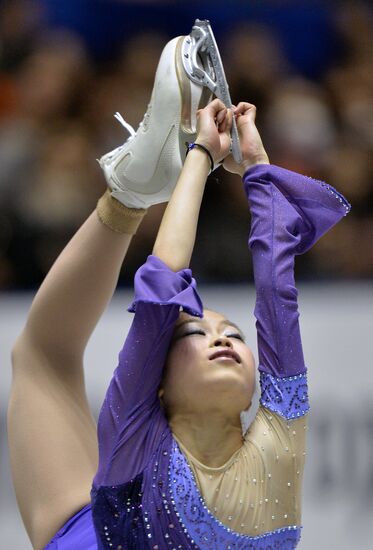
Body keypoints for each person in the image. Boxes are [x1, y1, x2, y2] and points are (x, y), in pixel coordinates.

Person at [8, 38, 350, 550]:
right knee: (42, 355)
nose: (225, 338)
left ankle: (131, 189)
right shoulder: (135, 434)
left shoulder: (277, 441)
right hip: (100, 523)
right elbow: (215, 285)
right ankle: (131, 190)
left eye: (232, 332)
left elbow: (253, 299)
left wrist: (214, 159)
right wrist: (239, 166)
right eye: (196, 330)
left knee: (41, 356)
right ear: (157, 386)